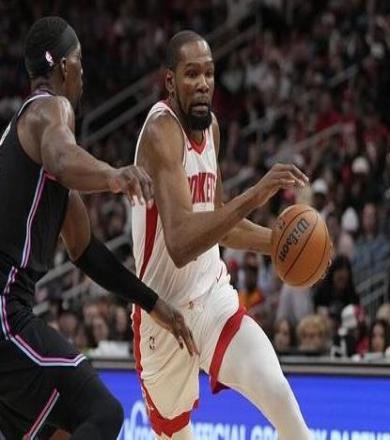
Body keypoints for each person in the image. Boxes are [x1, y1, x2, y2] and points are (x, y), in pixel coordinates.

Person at [0, 17, 196, 440]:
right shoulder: (49, 108)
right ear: (64, 67)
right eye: (80, 62)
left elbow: (86, 252)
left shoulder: (29, 152)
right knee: (103, 413)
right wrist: (112, 175)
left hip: (9, 318)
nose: (84, 73)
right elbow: (62, 156)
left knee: (60, 432)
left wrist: (153, 303)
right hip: (5, 313)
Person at [131, 30, 311, 439]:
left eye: (209, 73)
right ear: (170, 81)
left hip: (212, 298)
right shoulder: (161, 132)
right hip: (163, 315)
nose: (203, 83)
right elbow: (180, 243)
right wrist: (255, 195)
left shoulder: (211, 128)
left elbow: (217, 222)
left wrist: (278, 244)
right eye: (191, 74)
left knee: (279, 395)